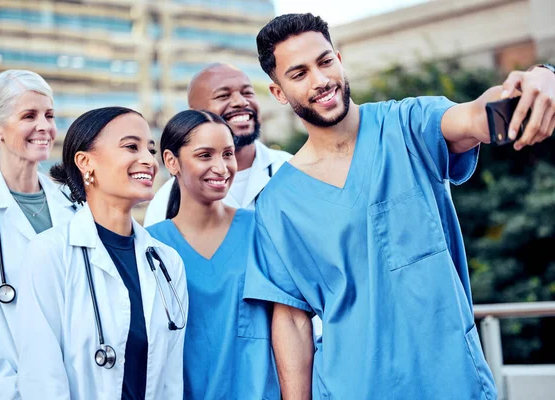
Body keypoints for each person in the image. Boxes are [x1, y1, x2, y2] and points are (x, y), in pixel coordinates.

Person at [243, 13, 555, 400]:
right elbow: (291, 321)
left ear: (339, 59)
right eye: (299, 73)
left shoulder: (407, 126)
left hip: (453, 383)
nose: (320, 81)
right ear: (278, 92)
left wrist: (542, 76)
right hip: (351, 389)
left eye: (325, 62)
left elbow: (479, 115)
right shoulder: (277, 203)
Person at [15, 107, 188, 399]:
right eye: (131, 147)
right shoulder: (50, 254)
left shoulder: (166, 262)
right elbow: (41, 379)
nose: (148, 159)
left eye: (150, 149)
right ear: (85, 162)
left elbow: (170, 379)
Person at [0, 69, 77, 399]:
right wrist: (11, 393)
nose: (45, 127)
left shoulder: (75, 205)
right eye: (29, 116)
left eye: (49, 115)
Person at [146, 109, 280, 400]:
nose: (221, 168)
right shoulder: (151, 246)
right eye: (205, 155)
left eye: (227, 154)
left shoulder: (262, 231)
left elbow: (292, 325)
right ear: (172, 161)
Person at [143, 63, 292, 225]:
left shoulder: (293, 170)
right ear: (195, 113)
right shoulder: (167, 200)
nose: (241, 102)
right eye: (223, 96)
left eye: (248, 93)